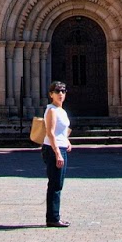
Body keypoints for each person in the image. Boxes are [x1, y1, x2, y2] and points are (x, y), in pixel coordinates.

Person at [41, 80, 71, 227]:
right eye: (57, 91)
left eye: (63, 91)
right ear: (50, 94)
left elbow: (61, 131)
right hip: (54, 149)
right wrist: (58, 153)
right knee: (55, 184)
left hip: (61, 147)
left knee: (58, 184)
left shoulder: (61, 110)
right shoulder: (52, 110)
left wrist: (67, 142)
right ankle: (53, 218)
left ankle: (54, 216)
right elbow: (50, 133)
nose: (60, 94)